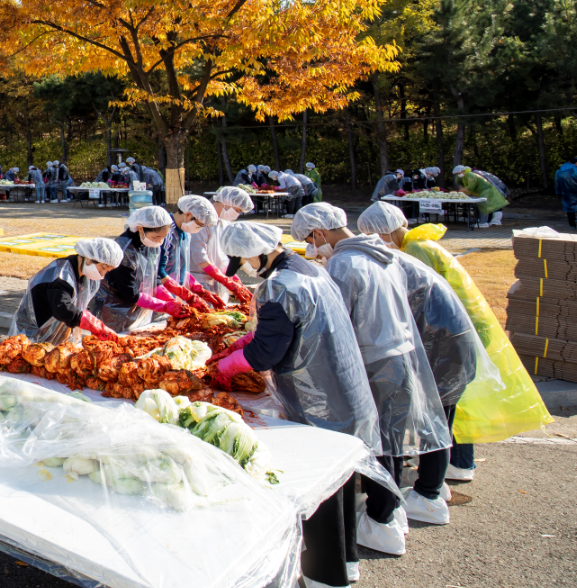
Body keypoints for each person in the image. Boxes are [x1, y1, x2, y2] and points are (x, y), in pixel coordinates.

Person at [215, 221, 382, 588]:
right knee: (341, 478)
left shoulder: (279, 285)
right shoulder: (305, 268)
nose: (241, 267)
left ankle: (325, 575)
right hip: (342, 383)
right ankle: (347, 560)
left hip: (319, 396)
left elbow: (267, 352)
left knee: (319, 487)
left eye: (241, 259)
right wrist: (243, 345)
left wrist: (230, 364)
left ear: (259, 251)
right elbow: (280, 329)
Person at [293, 202, 451, 556]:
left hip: (374, 359)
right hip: (400, 352)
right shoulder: (379, 252)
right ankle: (389, 514)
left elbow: (336, 321)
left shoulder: (344, 263)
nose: (311, 247)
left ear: (318, 232)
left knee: (377, 445)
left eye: (309, 239)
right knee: (391, 440)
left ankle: (382, 521)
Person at [356, 202, 552, 481]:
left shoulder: (416, 250)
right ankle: (448, 463)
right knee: (453, 401)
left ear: (384, 231)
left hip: (451, 334)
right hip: (458, 328)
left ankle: (456, 464)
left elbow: (417, 300)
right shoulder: (418, 243)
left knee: (451, 403)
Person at [10, 237, 124, 344]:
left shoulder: (85, 275)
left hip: (55, 337)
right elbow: (62, 308)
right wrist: (92, 324)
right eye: (103, 268)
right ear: (89, 257)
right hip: (33, 335)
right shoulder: (61, 273)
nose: (102, 274)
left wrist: (89, 320)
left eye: (107, 271)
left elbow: (80, 304)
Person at [93, 205, 182, 333]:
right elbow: (129, 292)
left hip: (138, 309)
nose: (160, 241)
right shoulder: (124, 250)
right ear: (140, 229)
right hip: (114, 310)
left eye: (164, 237)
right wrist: (164, 306)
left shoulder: (149, 243)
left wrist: (170, 300)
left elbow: (153, 277)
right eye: (157, 237)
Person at [189, 186, 253, 297]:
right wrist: (219, 276)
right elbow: (198, 254)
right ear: (227, 202)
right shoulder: (201, 219)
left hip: (216, 280)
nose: (236, 214)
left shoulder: (224, 223)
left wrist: (231, 277)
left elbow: (223, 255)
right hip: (198, 280)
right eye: (237, 210)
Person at [557, 157, 577, 228]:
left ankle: (572, 225)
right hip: (575, 191)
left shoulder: (560, 171)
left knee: (569, 208)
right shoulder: (575, 170)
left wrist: (558, 192)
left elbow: (557, 182)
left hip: (566, 193)